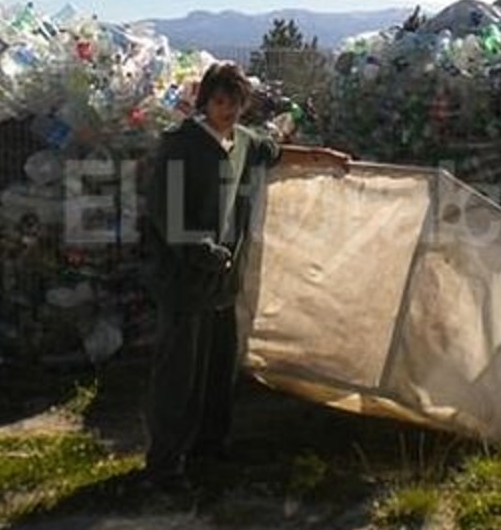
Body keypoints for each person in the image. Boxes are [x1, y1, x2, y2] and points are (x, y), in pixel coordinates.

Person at [138, 62, 350, 492]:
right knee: (179, 375)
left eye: (235, 102)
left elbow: (275, 153)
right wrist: (201, 251)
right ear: (205, 102)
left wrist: (323, 157)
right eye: (219, 101)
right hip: (186, 281)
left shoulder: (244, 142)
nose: (227, 110)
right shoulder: (181, 146)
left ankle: (208, 446)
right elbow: (166, 212)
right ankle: (165, 466)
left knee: (217, 370)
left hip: (222, 281)